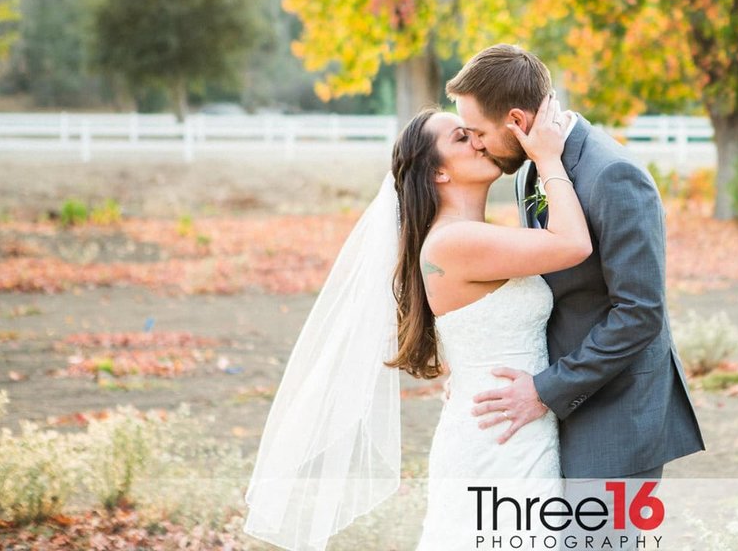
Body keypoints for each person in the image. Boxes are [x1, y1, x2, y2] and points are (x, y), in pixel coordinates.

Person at [243, 93, 586, 550]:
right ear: (438, 171)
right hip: (498, 440)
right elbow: (572, 244)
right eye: (463, 137)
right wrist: (548, 159)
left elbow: (474, 329)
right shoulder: (454, 243)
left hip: (504, 424)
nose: (481, 142)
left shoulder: (464, 239)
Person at [446, 44, 705, 536]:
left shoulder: (614, 175)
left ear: (517, 120)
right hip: (564, 407)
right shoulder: (535, 168)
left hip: (617, 418)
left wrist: (544, 391)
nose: (475, 145)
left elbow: (640, 314)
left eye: (478, 133)